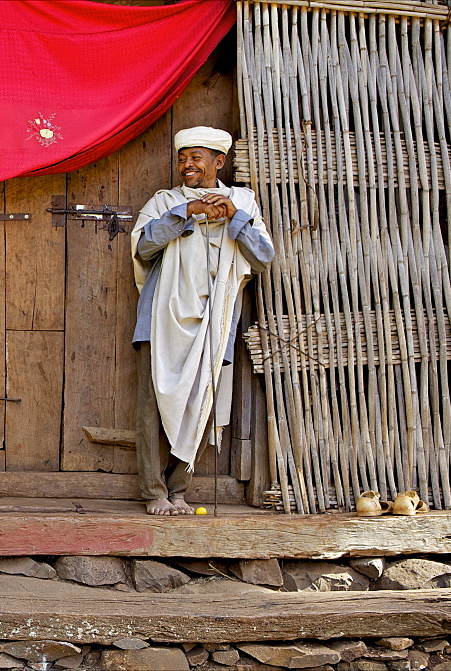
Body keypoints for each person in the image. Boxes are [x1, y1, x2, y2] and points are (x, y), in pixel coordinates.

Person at [130, 127, 274, 516]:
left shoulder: (243, 202)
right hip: (162, 316)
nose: (187, 166)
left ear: (219, 162)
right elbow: (144, 247)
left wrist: (235, 219)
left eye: (196, 158)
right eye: (182, 158)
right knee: (150, 404)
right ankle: (153, 491)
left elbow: (263, 258)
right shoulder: (166, 202)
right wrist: (186, 213)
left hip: (217, 318)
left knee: (200, 401)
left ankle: (178, 489)